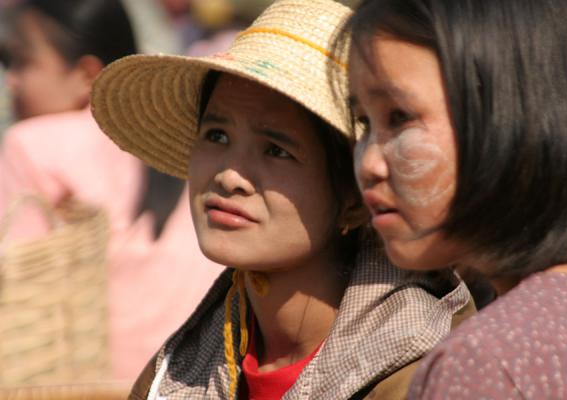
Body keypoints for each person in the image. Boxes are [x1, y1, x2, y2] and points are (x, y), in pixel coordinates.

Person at [90, 0, 474, 398]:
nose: (229, 176)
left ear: (355, 198)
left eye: (277, 150)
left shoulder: (423, 372)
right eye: (217, 136)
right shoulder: (179, 371)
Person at [343, 0, 567, 398]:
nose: (369, 164)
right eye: (364, 123)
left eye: (400, 117)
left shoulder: (486, 362)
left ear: (518, 111)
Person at [0, 0, 224, 379]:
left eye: (22, 62)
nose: (11, 81)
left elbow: (11, 281)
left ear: (87, 74)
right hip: (197, 371)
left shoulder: (33, 143)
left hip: (91, 379)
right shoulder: (176, 139)